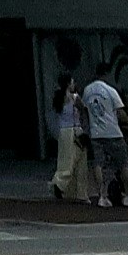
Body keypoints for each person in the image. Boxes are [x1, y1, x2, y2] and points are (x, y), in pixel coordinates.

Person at [81, 61, 128, 210]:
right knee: (123, 163)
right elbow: (121, 113)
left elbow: (84, 110)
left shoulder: (87, 90)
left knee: (99, 164)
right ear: (107, 74)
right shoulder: (110, 91)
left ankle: (102, 195)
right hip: (113, 132)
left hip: (96, 133)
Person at [49, 72, 86, 202]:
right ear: (68, 84)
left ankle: (64, 185)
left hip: (63, 131)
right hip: (74, 130)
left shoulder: (58, 98)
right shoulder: (74, 98)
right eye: (72, 82)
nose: (74, 84)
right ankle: (68, 186)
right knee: (78, 161)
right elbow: (83, 109)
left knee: (64, 159)